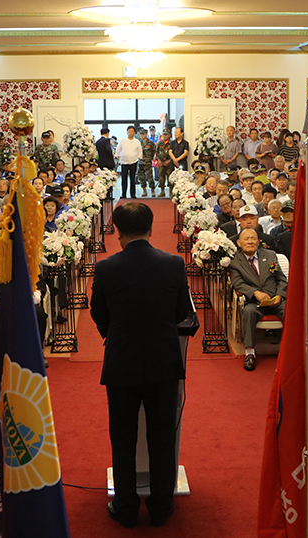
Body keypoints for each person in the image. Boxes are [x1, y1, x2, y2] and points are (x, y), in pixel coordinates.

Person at [89, 202, 192, 528]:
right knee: (162, 436)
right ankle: (162, 508)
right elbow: (180, 313)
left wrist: (115, 334)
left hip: (122, 362)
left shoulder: (105, 267)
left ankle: (126, 507)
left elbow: (98, 313)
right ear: (150, 228)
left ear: (116, 231)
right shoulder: (173, 264)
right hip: (164, 361)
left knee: (123, 437)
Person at [230, 227, 287, 372]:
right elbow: (238, 283)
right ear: (239, 242)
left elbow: (281, 279)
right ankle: (250, 353)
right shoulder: (235, 261)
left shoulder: (270, 255)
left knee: (290, 310)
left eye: (253, 238)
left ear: (258, 241)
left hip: (275, 299)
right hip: (254, 302)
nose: (250, 242)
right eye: (246, 239)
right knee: (248, 312)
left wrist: (280, 296)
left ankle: (289, 350)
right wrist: (255, 293)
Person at [117, 126, 142, 198]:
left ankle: (133, 194)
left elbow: (140, 152)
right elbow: (118, 150)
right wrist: (119, 158)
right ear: (127, 132)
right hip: (124, 162)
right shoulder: (123, 141)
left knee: (132, 179)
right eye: (129, 131)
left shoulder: (137, 141)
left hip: (133, 162)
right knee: (124, 179)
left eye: (132, 131)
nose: (131, 133)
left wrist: (137, 158)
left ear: (134, 133)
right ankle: (123, 194)